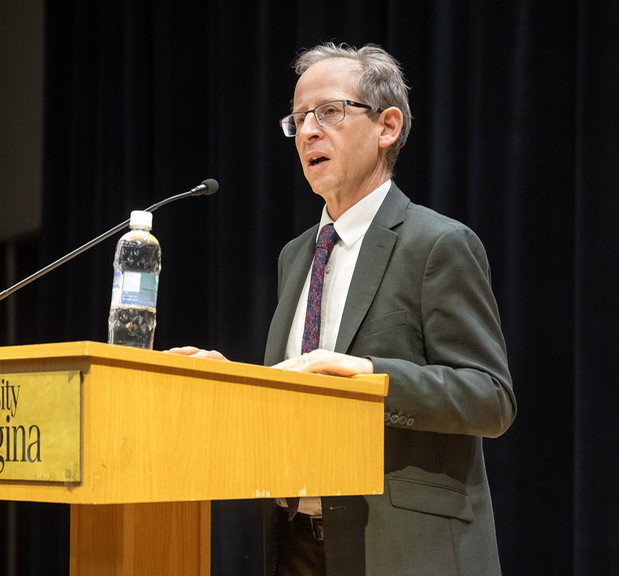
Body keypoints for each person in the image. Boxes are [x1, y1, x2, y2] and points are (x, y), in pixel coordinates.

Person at [173, 42, 515, 576]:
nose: (308, 131)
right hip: (295, 541)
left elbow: (491, 399)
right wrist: (234, 385)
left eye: (329, 112)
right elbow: (302, 394)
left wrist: (372, 376)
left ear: (388, 126)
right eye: (298, 118)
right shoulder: (296, 255)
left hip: (399, 547)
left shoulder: (437, 244)